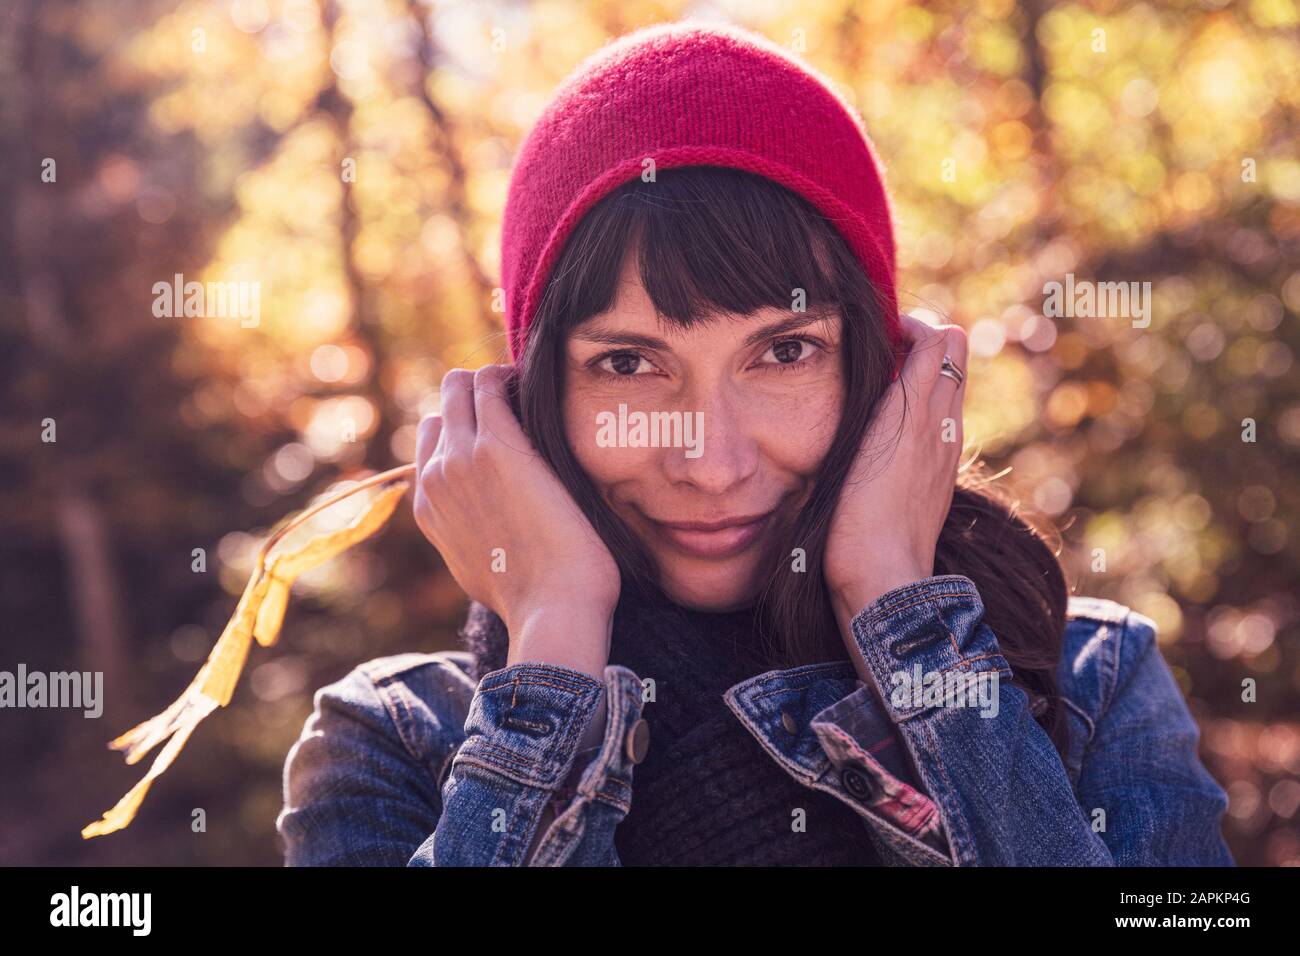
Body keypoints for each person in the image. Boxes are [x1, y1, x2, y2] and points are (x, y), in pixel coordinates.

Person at [276, 22, 1234, 866]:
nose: (713, 462)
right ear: (524, 401)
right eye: (625, 365)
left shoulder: (1087, 683)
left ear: (879, 367)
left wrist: (899, 610)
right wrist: (557, 634)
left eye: (784, 351)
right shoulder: (393, 744)